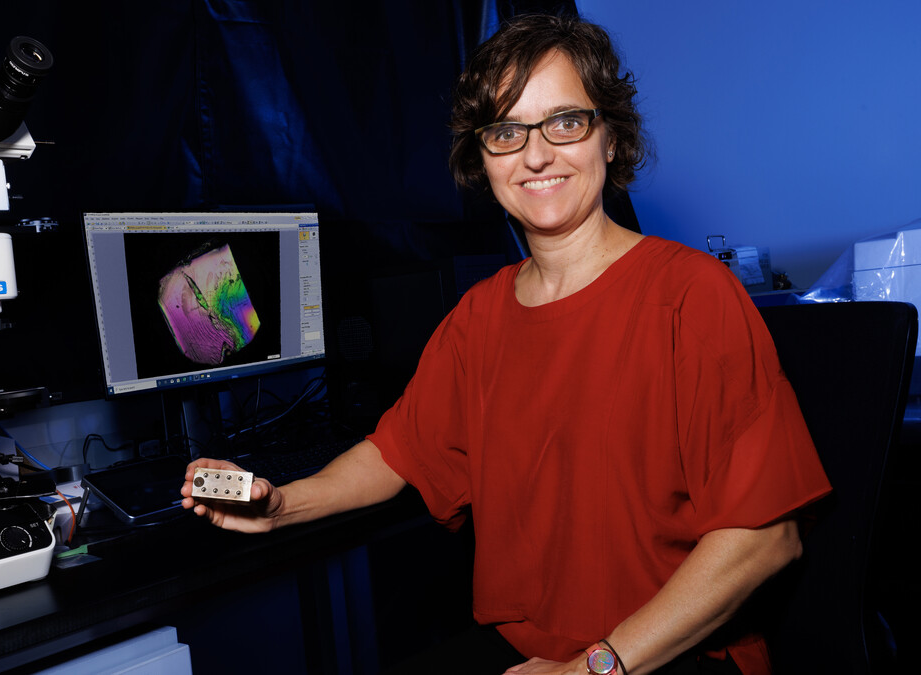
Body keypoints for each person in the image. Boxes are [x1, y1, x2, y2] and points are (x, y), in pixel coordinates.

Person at [181, 13, 830, 675]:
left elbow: (765, 539)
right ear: (483, 158)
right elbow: (397, 450)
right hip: (531, 654)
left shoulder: (691, 297)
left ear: (611, 138)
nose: (536, 154)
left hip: (661, 653)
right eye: (506, 130)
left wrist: (594, 667)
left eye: (566, 122)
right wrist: (282, 503)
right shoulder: (480, 316)